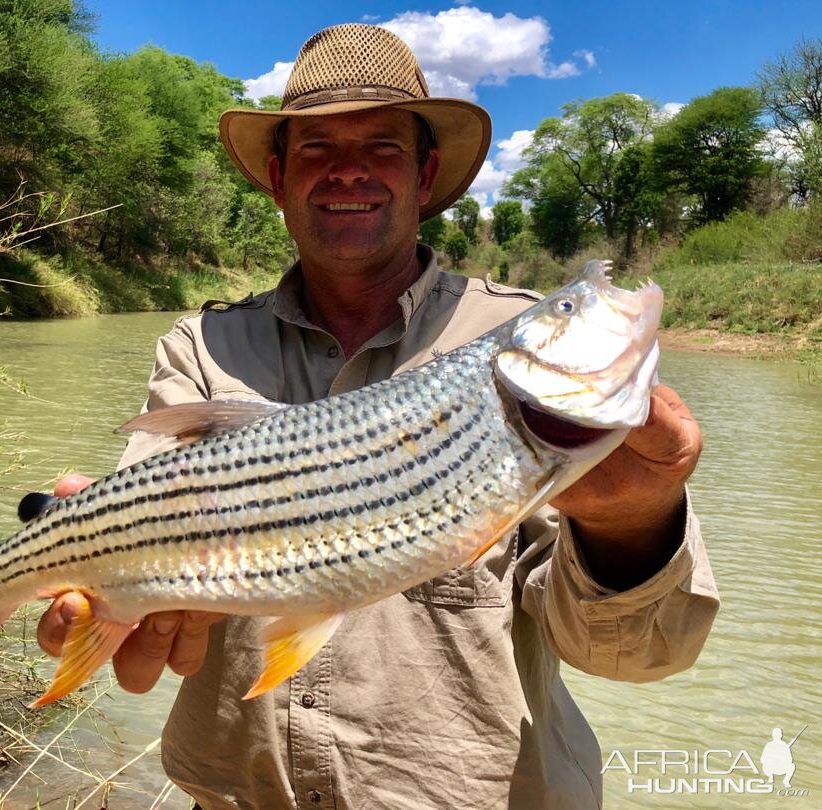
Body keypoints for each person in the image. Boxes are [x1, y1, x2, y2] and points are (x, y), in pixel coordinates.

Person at [37, 24, 720, 808]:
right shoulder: (200, 348)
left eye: (382, 146)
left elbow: (640, 659)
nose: (349, 171)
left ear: (426, 174)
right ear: (277, 176)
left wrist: (634, 522)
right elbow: (143, 531)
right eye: (317, 148)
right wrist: (100, 596)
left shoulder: (509, 342)